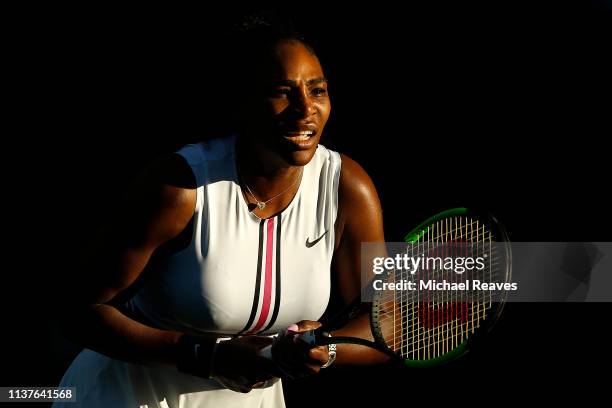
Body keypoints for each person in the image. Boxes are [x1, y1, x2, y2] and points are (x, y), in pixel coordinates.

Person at [54, 14, 388, 408]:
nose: (305, 109)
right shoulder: (178, 188)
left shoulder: (351, 188)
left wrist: (326, 350)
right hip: (123, 397)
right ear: (242, 102)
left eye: (317, 91)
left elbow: (387, 323)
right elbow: (76, 310)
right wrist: (205, 356)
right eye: (282, 91)